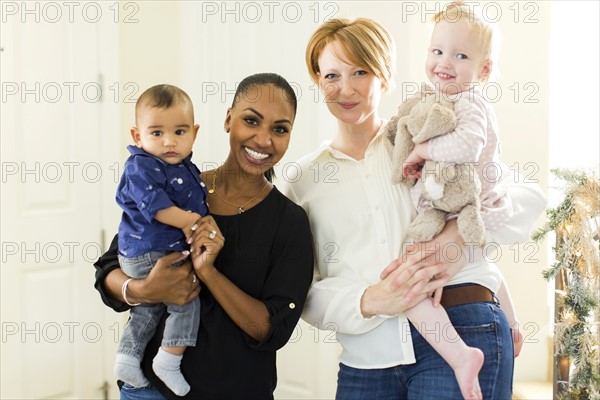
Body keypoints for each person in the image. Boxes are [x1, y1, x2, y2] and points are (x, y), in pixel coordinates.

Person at [282, 16, 546, 400]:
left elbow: (524, 197)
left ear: (384, 76)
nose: (345, 88)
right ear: (317, 80)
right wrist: (369, 299)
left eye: (360, 71)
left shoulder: (427, 135)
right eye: (331, 76)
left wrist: (455, 242)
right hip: (366, 363)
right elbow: (301, 292)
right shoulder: (302, 180)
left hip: (464, 327)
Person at [93, 73, 314, 399]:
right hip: (149, 391)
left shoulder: (289, 222)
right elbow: (110, 268)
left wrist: (208, 272)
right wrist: (142, 289)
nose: (263, 139)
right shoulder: (179, 188)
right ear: (228, 119)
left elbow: (270, 330)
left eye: (279, 129)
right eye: (251, 120)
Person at [390, 4, 523, 399]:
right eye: (437, 51)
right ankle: (511, 321)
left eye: (460, 55)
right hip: (462, 209)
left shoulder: (471, 102)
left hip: (469, 206)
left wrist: (421, 149)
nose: (444, 63)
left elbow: (469, 144)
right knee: (479, 263)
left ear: (483, 70)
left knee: (407, 284)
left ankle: (461, 355)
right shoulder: (444, 100)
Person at [114, 84, 208, 396]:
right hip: (148, 251)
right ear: (137, 136)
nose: (169, 141)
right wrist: (190, 222)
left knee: (149, 309)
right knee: (185, 299)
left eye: (180, 131)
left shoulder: (182, 167)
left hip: (148, 251)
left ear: (194, 133)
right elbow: (154, 205)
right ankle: (168, 360)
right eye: (156, 133)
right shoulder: (142, 166)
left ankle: (128, 358)